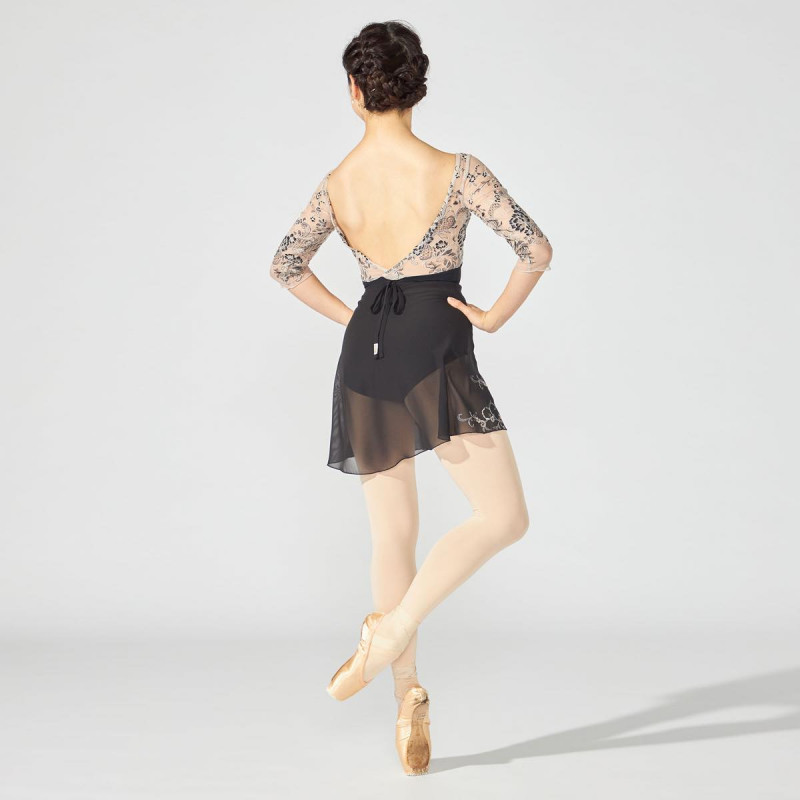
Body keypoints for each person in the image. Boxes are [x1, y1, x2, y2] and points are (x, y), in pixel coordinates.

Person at [269, 20, 553, 776]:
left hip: (368, 357)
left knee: (392, 535)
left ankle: (405, 698)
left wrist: (353, 316)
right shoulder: (458, 171)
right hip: (437, 354)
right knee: (503, 516)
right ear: (416, 88)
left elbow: (286, 265)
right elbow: (535, 249)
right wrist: (491, 316)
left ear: (355, 92)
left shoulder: (338, 182)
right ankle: (392, 635)